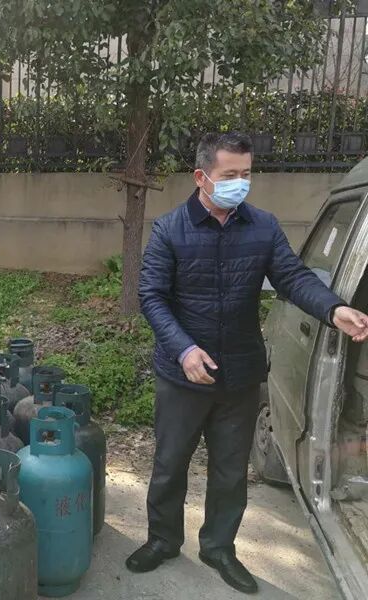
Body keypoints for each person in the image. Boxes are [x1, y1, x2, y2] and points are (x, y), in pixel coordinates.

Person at [130, 132, 368, 594]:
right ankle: (162, 540)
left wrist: (333, 308)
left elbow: (293, 277)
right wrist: (183, 349)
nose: (240, 183)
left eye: (246, 174)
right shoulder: (170, 229)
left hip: (238, 375)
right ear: (201, 177)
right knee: (170, 465)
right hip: (182, 376)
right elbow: (152, 297)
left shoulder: (262, 227)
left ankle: (219, 548)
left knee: (229, 470)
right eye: (230, 175)